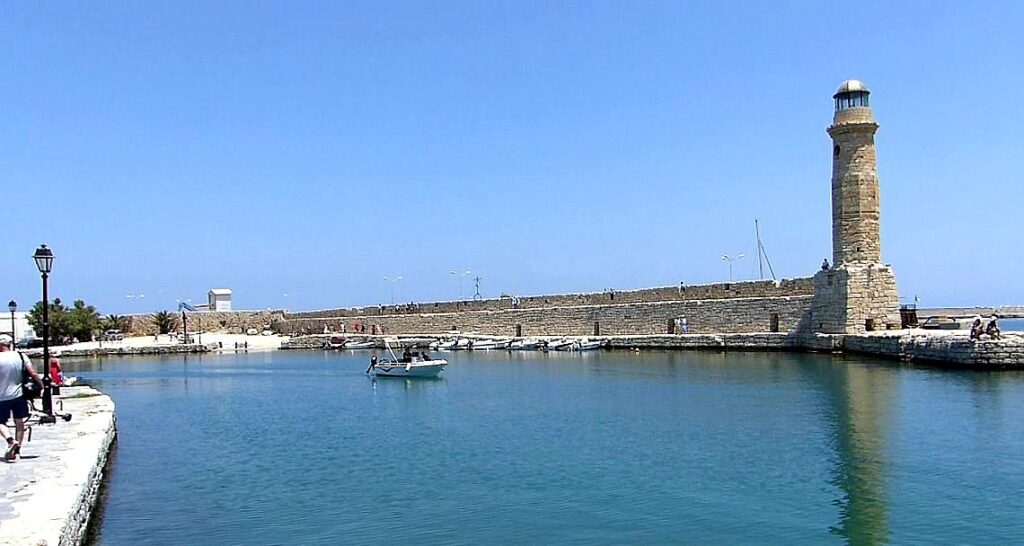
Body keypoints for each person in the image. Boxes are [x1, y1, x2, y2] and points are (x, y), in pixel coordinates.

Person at [0, 334, 42, 462]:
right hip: (19, 395)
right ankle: (17, 453)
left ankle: (10, 440)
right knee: (19, 423)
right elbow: (33, 373)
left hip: (1, 397)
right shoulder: (20, 356)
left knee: (0, 422)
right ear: (10, 344)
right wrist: (41, 385)